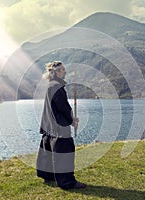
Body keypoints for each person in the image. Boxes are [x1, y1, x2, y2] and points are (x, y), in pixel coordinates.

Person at [36, 61, 86, 189]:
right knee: (65, 153)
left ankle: (48, 175)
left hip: (49, 125)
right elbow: (64, 108)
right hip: (59, 127)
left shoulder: (50, 85)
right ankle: (67, 182)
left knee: (49, 151)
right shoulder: (57, 87)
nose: (65, 72)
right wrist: (72, 121)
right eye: (63, 70)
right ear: (57, 72)